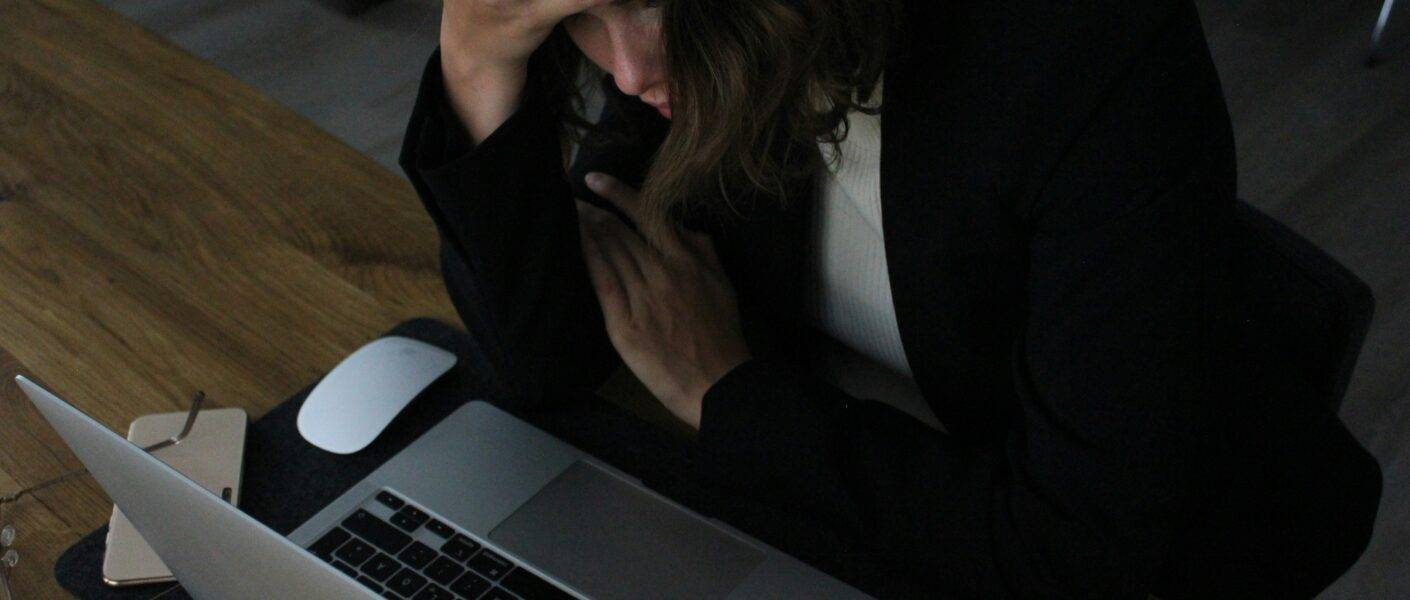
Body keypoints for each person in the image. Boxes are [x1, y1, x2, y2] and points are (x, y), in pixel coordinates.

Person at [400, 0, 1380, 596]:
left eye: (652, 4)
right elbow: (550, 360)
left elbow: (1072, 564)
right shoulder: (687, 44)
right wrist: (477, 51)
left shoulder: (1083, 51)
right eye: (574, 17)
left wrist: (726, 394)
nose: (628, 70)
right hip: (853, 517)